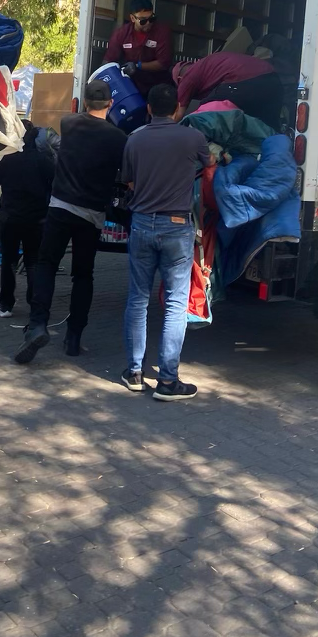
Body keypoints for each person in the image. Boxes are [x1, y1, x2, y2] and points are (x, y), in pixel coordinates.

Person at [14, 79, 128, 364]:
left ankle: (38, 325)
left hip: (60, 206)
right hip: (92, 214)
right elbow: (123, 175)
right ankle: (74, 338)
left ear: (84, 102)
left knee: (46, 265)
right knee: (83, 275)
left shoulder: (70, 124)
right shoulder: (119, 137)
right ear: (111, 104)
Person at [120, 84, 212, 400]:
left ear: (148, 109)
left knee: (138, 298)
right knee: (175, 302)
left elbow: (129, 181)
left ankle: (134, 371)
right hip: (177, 226)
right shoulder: (193, 137)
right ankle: (168, 381)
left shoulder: (134, 140)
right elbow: (209, 164)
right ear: (177, 110)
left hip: (142, 223)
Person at [0, 120, 55, 318]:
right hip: (37, 217)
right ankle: (34, 303)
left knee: (8, 260)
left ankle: (6, 304)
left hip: (9, 217)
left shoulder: (7, 158)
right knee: (33, 260)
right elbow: (55, 183)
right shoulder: (43, 159)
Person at [172, 50, 283, 129]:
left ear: (180, 78)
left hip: (246, 81)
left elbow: (178, 114)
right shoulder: (208, 65)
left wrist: (160, 132)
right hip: (273, 79)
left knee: (207, 111)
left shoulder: (188, 76)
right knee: (270, 126)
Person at [103, 0, 172, 96]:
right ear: (132, 18)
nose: (148, 23)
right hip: (130, 85)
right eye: (143, 20)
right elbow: (108, 61)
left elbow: (163, 63)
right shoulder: (122, 34)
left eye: (151, 18)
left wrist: (137, 66)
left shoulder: (162, 32)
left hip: (158, 85)